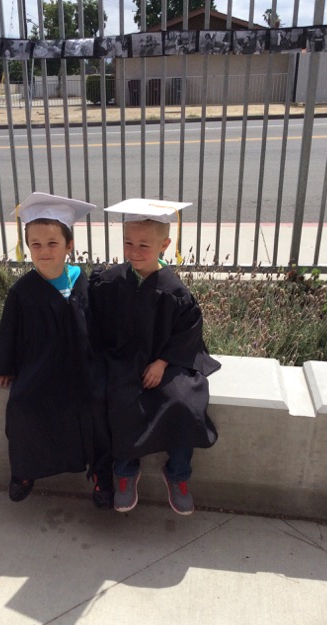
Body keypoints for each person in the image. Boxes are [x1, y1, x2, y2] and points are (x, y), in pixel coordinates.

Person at [89, 198, 221, 516]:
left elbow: (188, 332)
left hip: (167, 361)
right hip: (123, 358)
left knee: (183, 402)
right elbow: (99, 324)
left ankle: (177, 473)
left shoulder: (174, 291)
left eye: (144, 245)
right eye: (128, 243)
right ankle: (125, 469)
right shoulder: (111, 282)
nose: (134, 251)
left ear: (165, 244)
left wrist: (163, 362)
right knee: (120, 396)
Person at [0, 192, 104, 504]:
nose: (43, 251)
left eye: (53, 243)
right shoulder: (22, 292)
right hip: (41, 366)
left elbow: (98, 323)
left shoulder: (83, 280)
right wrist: (7, 367)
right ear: (27, 247)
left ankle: (102, 476)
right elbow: (10, 332)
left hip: (83, 365)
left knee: (99, 405)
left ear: (69, 245)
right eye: (35, 244)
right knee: (22, 407)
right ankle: (24, 471)